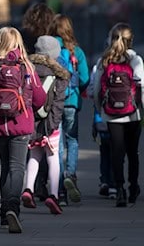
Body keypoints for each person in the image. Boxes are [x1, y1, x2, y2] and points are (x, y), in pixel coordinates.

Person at [0, 27, 46, 233]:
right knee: (17, 168)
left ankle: (5, 213)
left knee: (5, 166)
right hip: (21, 124)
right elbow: (40, 98)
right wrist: (30, 110)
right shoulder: (27, 68)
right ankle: (13, 207)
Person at [93, 22, 144, 207]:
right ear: (131, 40)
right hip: (132, 113)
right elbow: (142, 87)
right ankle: (133, 187)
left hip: (111, 114)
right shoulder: (135, 59)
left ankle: (118, 189)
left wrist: (100, 108)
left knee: (116, 152)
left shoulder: (104, 59)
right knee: (132, 152)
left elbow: (96, 89)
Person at [21, 35, 70, 214]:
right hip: (50, 123)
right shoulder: (59, 74)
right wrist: (52, 125)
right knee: (53, 158)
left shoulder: (28, 69)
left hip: (31, 122)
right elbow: (58, 103)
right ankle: (54, 195)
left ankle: (28, 189)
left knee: (34, 155)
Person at [48, 14, 89, 206]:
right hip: (71, 100)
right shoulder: (77, 52)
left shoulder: (50, 51)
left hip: (54, 102)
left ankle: (61, 191)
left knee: (57, 145)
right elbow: (84, 79)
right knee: (72, 140)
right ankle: (71, 175)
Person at [87, 64, 115, 199]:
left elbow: (91, 91)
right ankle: (115, 184)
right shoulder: (131, 60)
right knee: (118, 150)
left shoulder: (99, 65)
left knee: (104, 150)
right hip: (124, 114)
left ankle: (105, 180)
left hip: (102, 115)